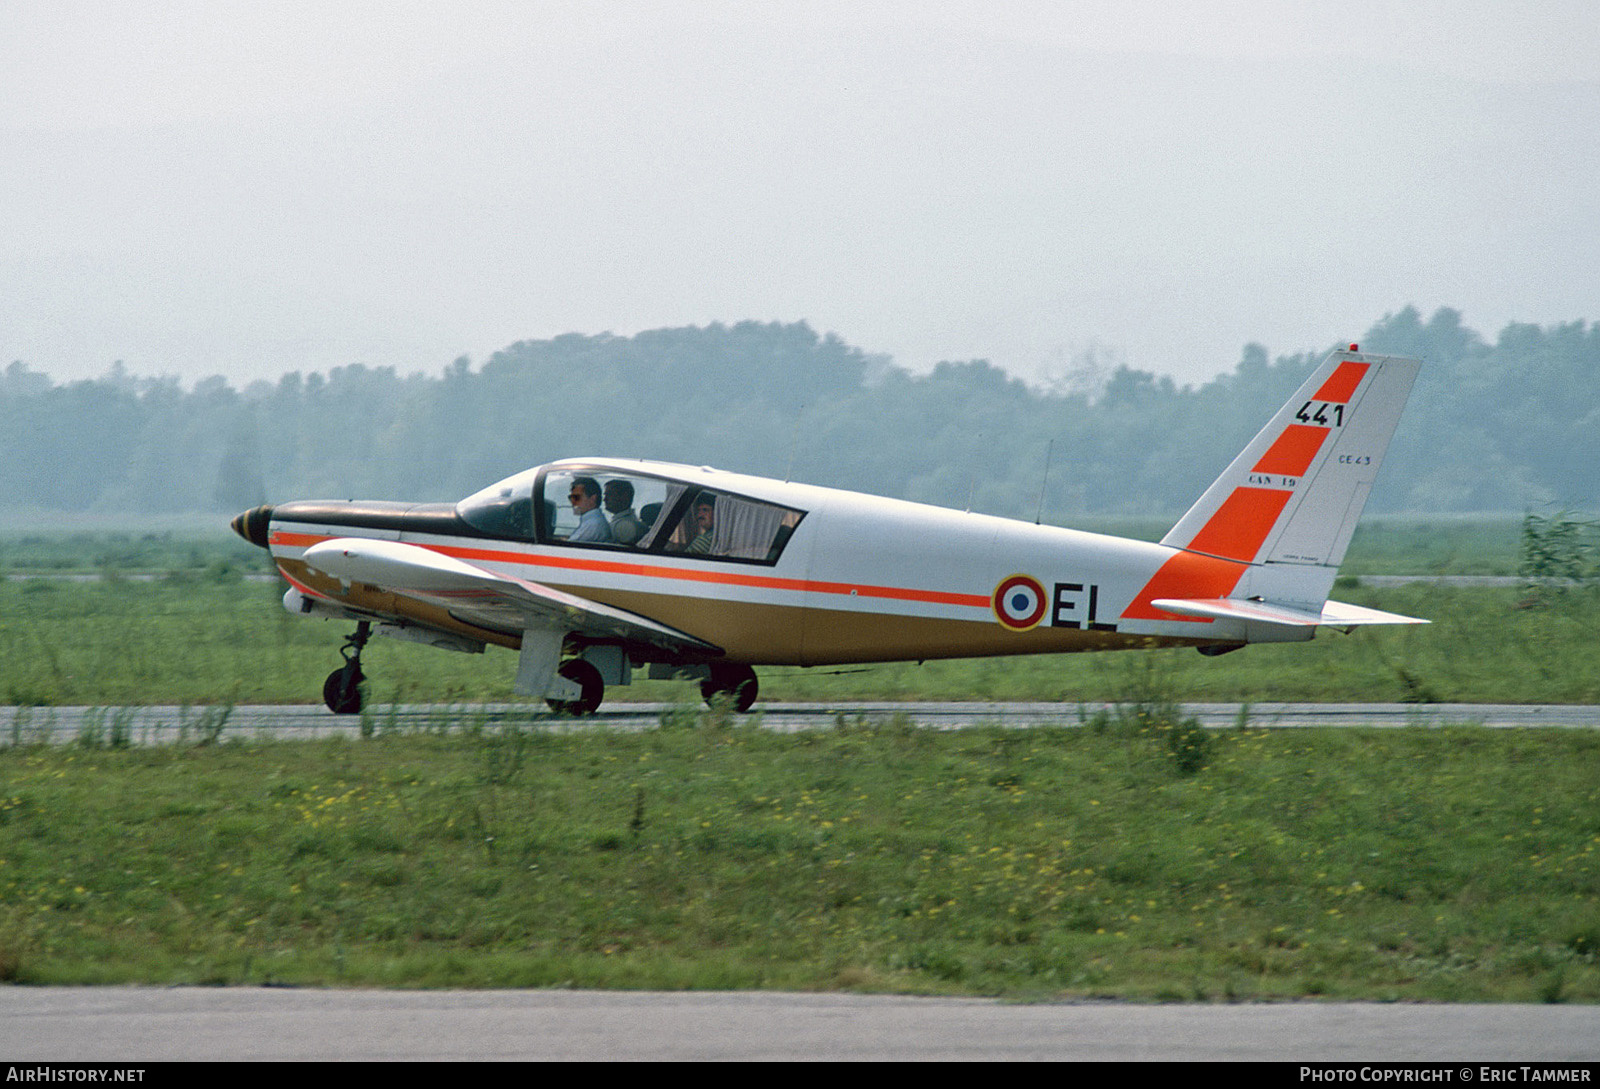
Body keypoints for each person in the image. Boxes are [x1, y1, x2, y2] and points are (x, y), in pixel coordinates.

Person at [566, 476, 614, 543]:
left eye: (576, 497)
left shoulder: (593, 524)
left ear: (592, 499)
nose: (572, 501)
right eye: (570, 497)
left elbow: (569, 547)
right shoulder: (593, 521)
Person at [603, 479, 647, 545]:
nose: (604, 499)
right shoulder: (629, 521)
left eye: (609, 494)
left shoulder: (623, 526)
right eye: (605, 495)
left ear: (624, 497)